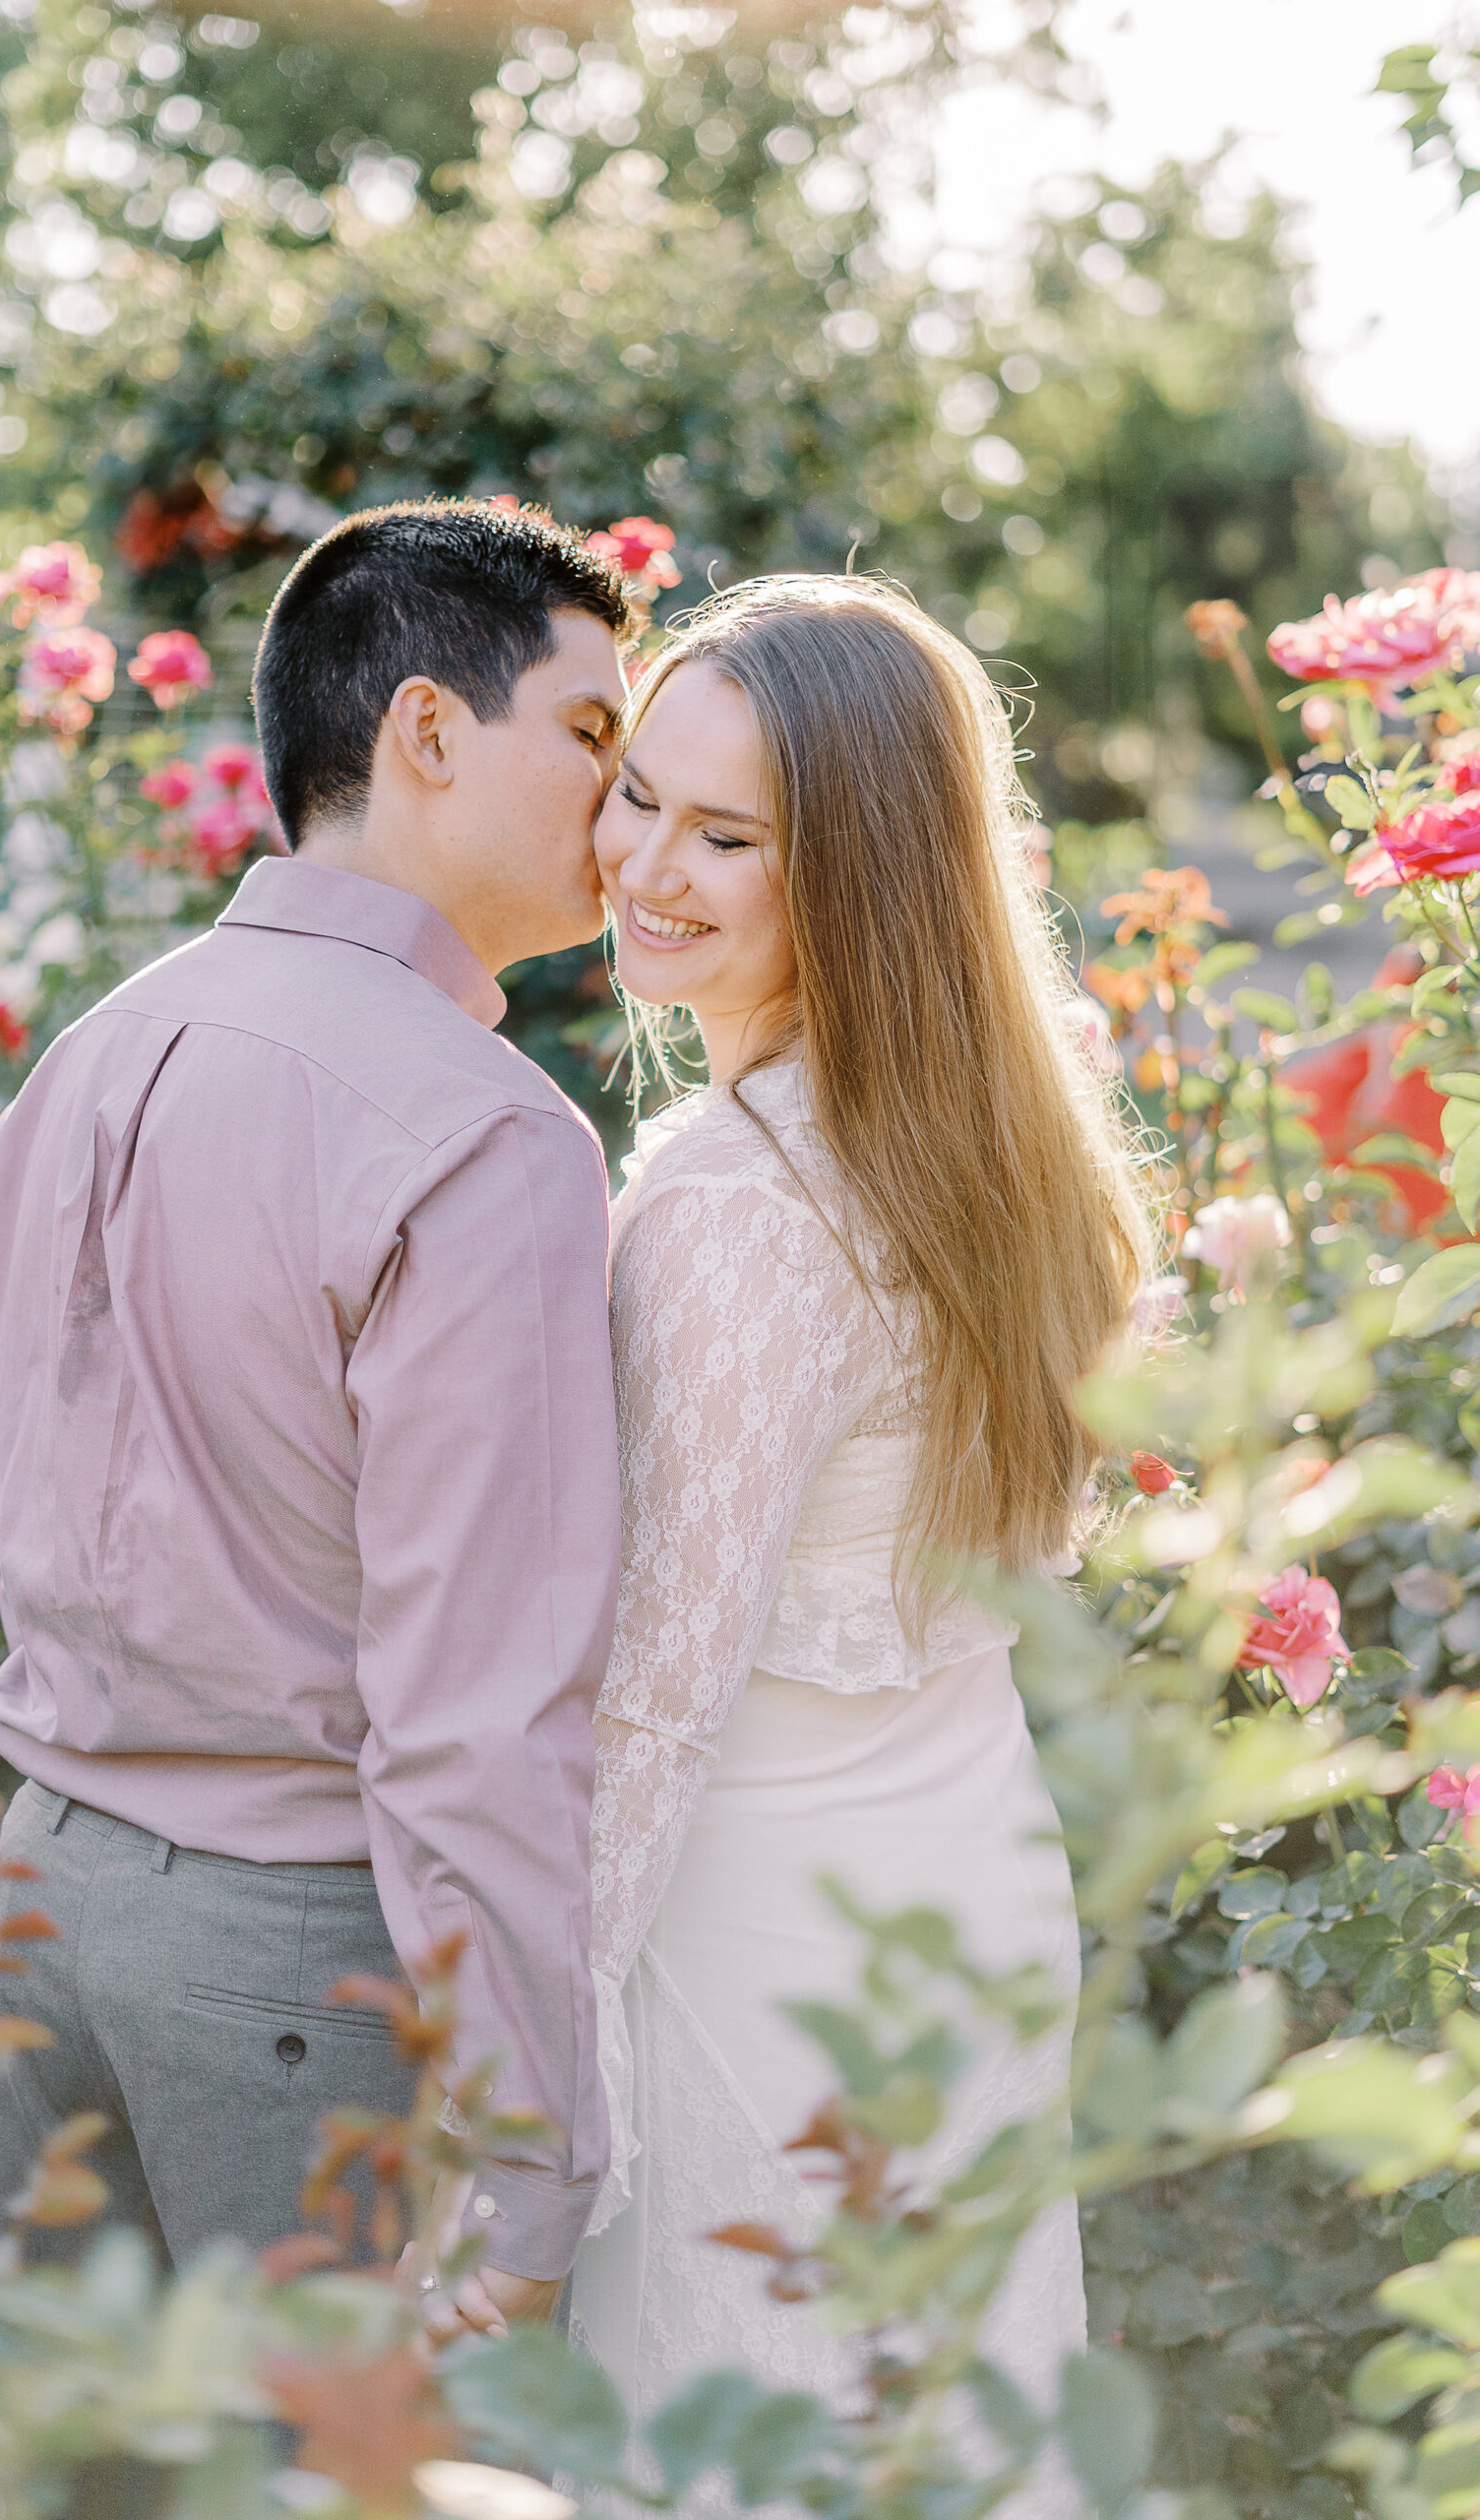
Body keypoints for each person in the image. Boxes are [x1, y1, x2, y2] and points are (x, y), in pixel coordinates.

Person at [0, 498, 631, 2332]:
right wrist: (530, 2161)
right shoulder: (482, 1135)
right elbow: (475, 1715)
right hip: (288, 1951)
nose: (624, 793)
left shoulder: (94, 1049)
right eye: (590, 732)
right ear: (428, 730)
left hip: (43, 1890)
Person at [568, 575, 1151, 2494]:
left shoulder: (736, 1199)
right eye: (633, 790)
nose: (642, 862)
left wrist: (536, 2050)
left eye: (723, 834)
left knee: (748, 2423)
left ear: (862, 868)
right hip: (962, 1890)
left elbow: (653, 1692)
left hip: (762, 1949)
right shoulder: (978, 1151)